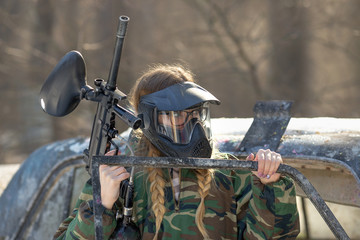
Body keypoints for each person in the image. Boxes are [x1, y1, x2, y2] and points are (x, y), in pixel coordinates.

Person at [54, 64, 300, 240]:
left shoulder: (233, 174)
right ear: (150, 121)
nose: (191, 126)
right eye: (177, 116)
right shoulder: (120, 177)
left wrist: (270, 186)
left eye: (195, 115)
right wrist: (102, 205)